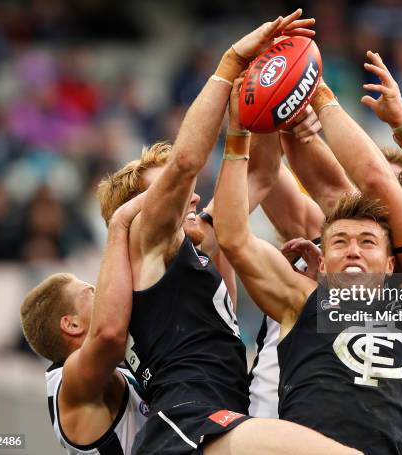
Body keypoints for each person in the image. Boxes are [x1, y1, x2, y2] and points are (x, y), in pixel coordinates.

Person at [96, 9, 362, 455]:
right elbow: (185, 164)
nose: (194, 198)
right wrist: (230, 65)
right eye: (172, 195)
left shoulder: (195, 245)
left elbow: (259, 175)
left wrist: (270, 110)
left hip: (221, 420)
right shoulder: (149, 245)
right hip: (189, 423)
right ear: (142, 212)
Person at [214, 66, 402, 453]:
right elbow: (243, 226)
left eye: (369, 240)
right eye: (341, 243)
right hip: (280, 432)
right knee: (225, 433)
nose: (353, 248)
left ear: (391, 260)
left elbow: (371, 185)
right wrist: (269, 113)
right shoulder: (306, 293)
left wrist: (316, 93)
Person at [20, 193, 148, 455]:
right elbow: (109, 336)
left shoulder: (115, 369)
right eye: (90, 293)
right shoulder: (72, 381)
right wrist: (120, 223)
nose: (101, 294)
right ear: (72, 324)